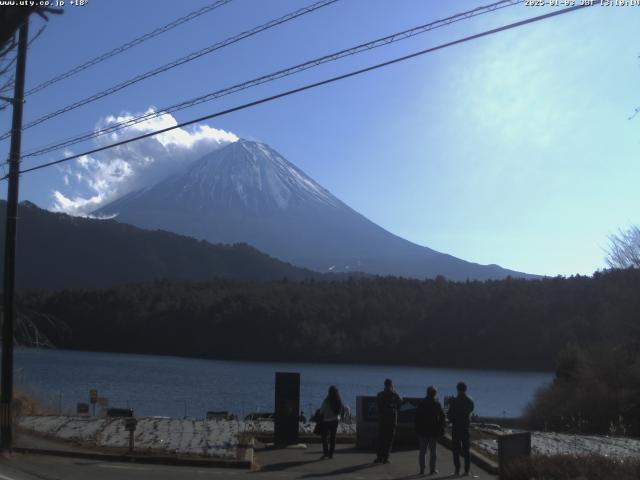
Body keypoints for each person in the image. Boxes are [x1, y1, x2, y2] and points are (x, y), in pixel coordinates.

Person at [414, 385, 445, 475]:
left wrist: (417, 428)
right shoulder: (437, 403)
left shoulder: (421, 403)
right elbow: (442, 417)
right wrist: (440, 427)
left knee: (422, 451)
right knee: (433, 451)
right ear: (434, 394)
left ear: (427, 393)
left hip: (422, 431)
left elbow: (417, 417)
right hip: (433, 431)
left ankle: (422, 469)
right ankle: (432, 469)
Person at [447, 381, 475, 476]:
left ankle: (457, 470)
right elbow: (471, 410)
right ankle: (466, 470)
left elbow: (450, 416)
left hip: (456, 428)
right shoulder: (470, 401)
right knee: (466, 450)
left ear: (457, 389)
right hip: (465, 427)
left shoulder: (454, 401)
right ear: (465, 389)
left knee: (456, 449)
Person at [374, 378, 402, 464]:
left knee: (381, 439)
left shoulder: (380, 394)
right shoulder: (395, 395)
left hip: (382, 420)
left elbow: (377, 405)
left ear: (384, 385)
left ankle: (379, 457)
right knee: (389, 440)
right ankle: (386, 458)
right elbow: (400, 403)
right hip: (392, 420)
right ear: (391, 385)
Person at [318, 385, 344, 459]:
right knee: (333, 437)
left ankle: (326, 453)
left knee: (324, 437)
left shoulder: (327, 400)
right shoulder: (339, 400)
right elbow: (341, 411)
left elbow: (321, 411)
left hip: (326, 421)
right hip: (335, 420)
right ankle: (331, 454)